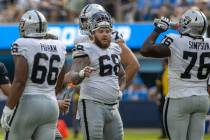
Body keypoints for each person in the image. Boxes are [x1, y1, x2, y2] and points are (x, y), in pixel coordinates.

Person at [140, 9, 210, 140]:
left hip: (180, 97)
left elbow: (145, 49)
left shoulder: (175, 40)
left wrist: (158, 30)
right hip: (202, 99)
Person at [0, 10, 66, 140]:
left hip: (28, 103)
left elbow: (20, 81)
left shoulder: (22, 44)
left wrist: (8, 108)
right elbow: (61, 78)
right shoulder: (59, 45)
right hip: (51, 106)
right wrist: (51, 95)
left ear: (27, 27)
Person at [67, 11, 126, 140]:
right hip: (92, 105)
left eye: (107, 31)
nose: (105, 34)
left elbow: (122, 75)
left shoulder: (115, 48)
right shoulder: (85, 48)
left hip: (113, 107)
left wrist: (119, 91)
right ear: (93, 33)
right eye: (101, 31)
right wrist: (82, 74)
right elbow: (72, 76)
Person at [65, 3, 139, 87]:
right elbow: (76, 73)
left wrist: (118, 91)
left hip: (107, 95)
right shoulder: (81, 40)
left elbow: (133, 65)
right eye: (83, 20)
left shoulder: (112, 37)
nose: (84, 23)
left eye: (87, 20)